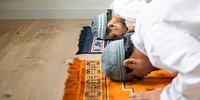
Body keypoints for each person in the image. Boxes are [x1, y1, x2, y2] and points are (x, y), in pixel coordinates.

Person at [101, 0, 200, 99]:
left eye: (137, 76)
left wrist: (167, 95)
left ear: (130, 63)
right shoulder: (142, 23)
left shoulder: (155, 41)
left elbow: (196, 67)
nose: (147, 75)